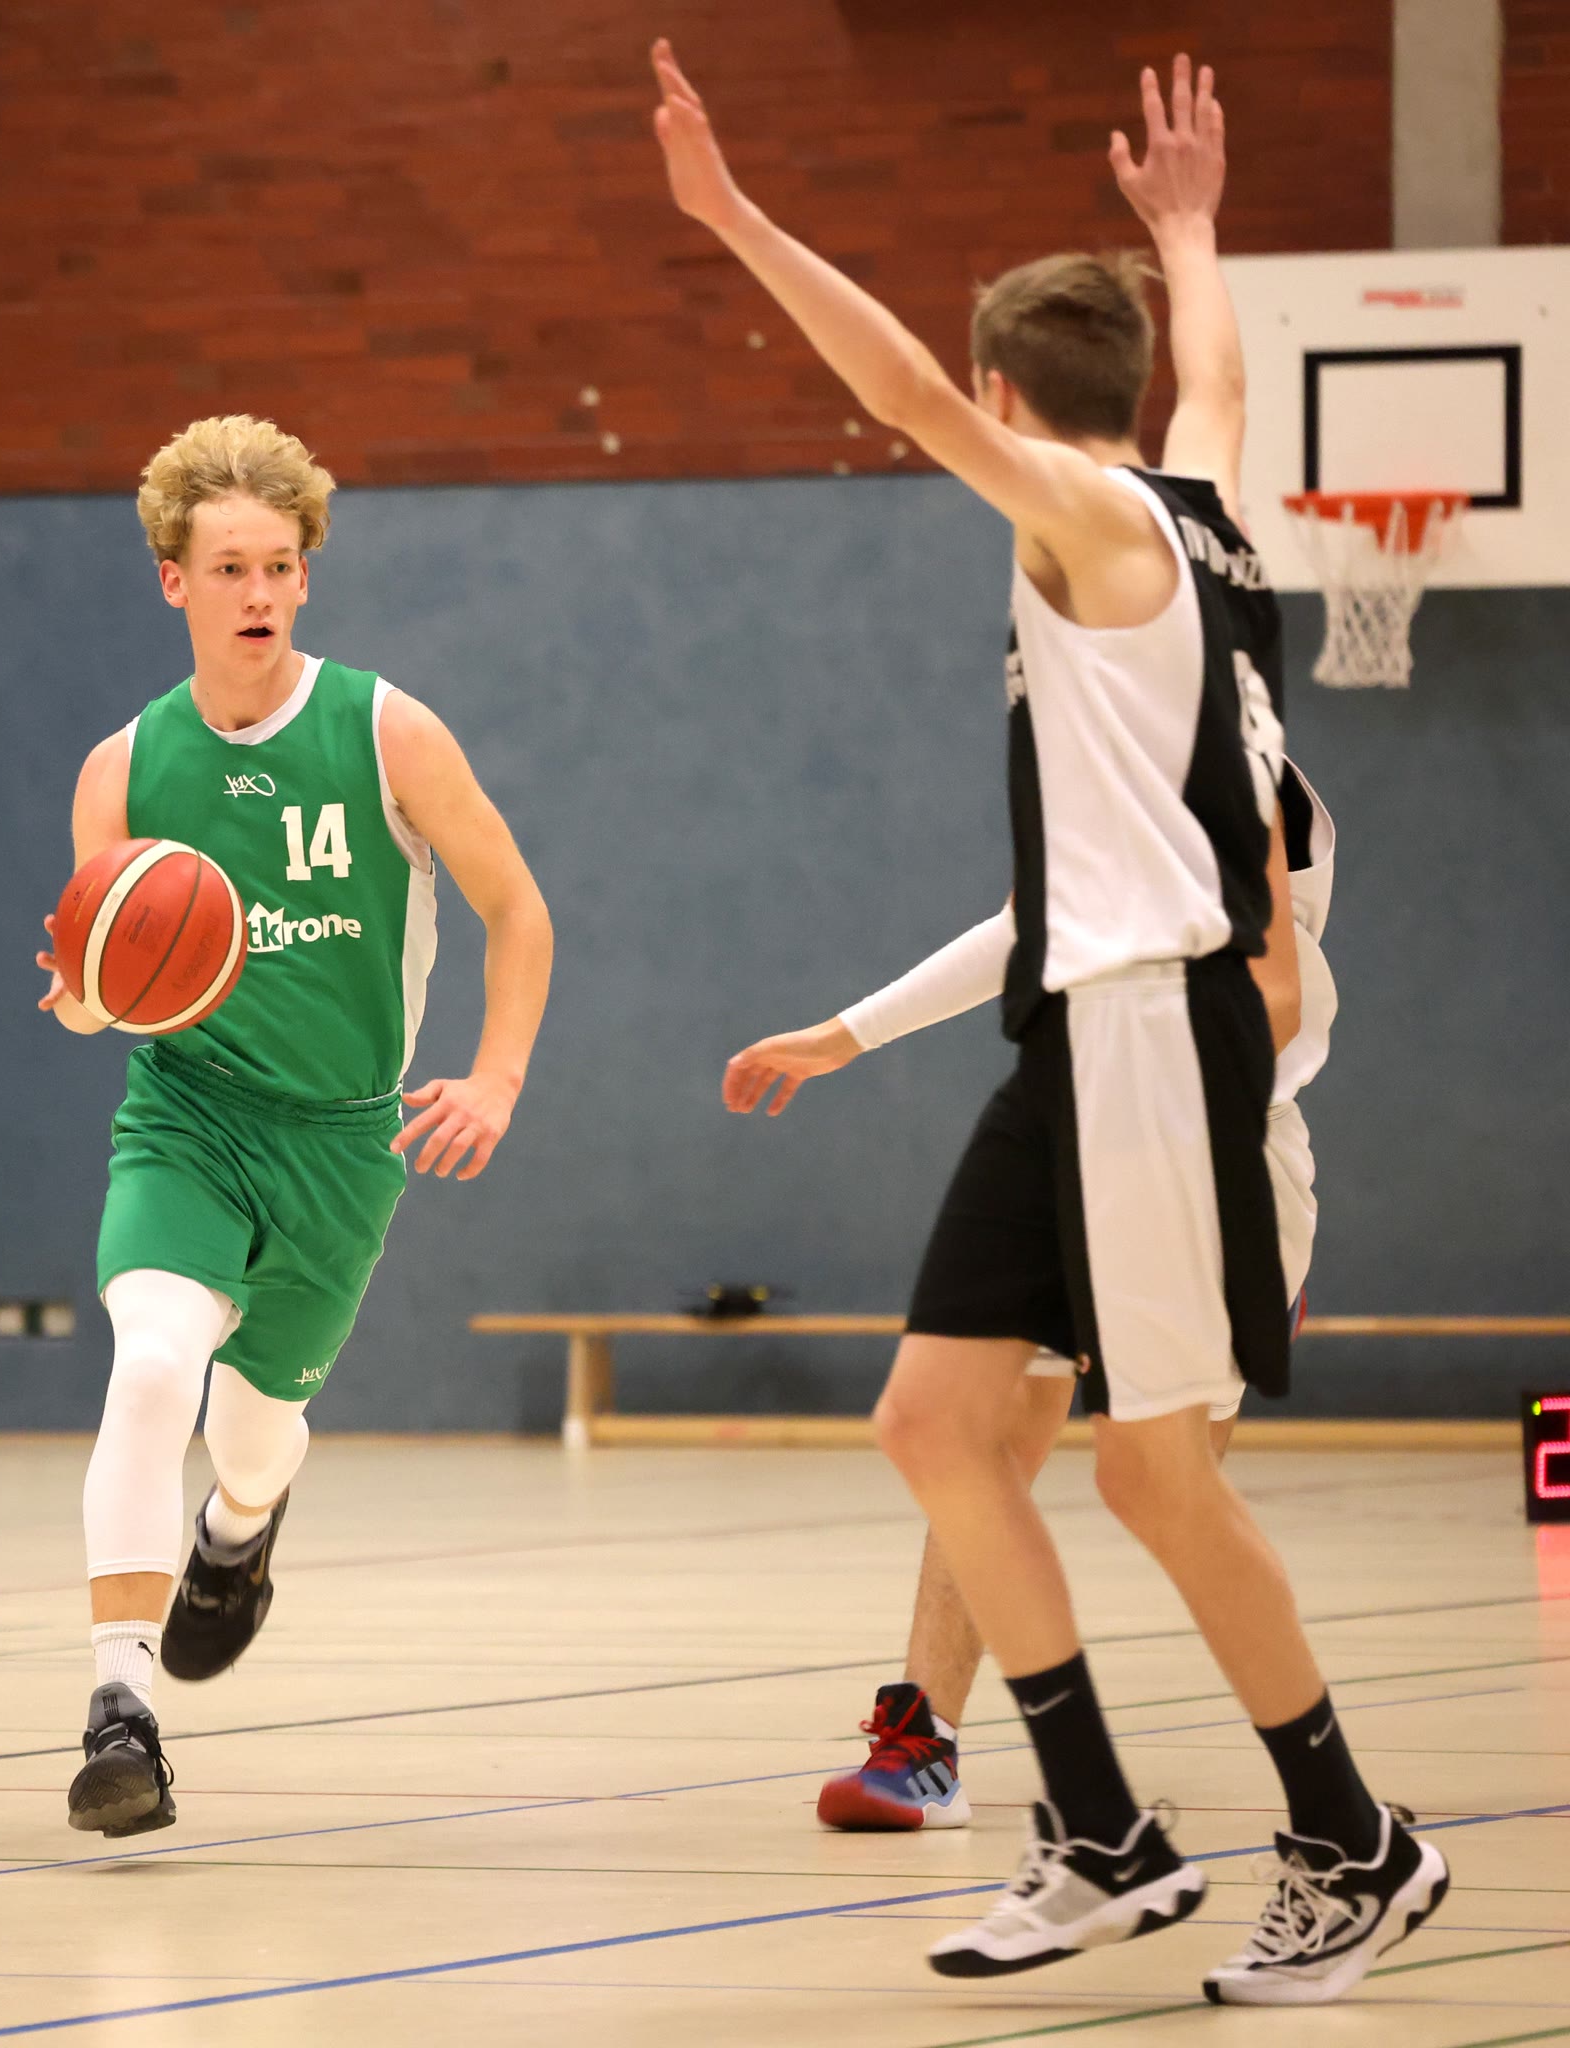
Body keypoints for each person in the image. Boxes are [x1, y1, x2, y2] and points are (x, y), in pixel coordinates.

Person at [653, 42, 1445, 2003]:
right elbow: (1221, 388)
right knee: (935, 1421)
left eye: (976, 409)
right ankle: (1098, 1826)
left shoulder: (1085, 515)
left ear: (1007, 402)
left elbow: (900, 395)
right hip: (1073, 1033)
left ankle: (1349, 1838)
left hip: (1156, 1035)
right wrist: (1190, 229)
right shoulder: (1194, 506)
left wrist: (731, 217)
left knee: (1153, 1475)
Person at [35, 414, 553, 1840]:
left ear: (306, 576)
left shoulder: (387, 730)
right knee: (154, 1368)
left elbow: (518, 909)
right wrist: (85, 997)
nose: (258, 592)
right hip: (188, 1118)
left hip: (341, 1142)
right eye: (229, 568)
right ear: (174, 581)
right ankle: (119, 1708)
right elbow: (98, 987)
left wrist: (496, 1077)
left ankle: (241, 1528)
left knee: (255, 1433)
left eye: (280, 565)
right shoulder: (122, 767)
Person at [726, 762, 1333, 1840]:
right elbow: (1024, 930)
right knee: (967, 1435)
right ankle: (925, 1747)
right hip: (1072, 1134)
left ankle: (1335, 1811)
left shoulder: (1222, 760)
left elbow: (1278, 998)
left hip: (1210, 1148)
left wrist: (1146, 1104)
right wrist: (843, 1034)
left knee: (1164, 1487)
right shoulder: (1067, 740)